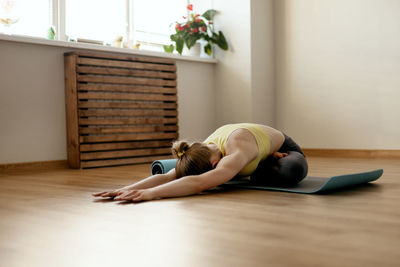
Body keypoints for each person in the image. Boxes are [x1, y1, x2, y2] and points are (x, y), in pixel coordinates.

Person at [92, 123, 308, 202]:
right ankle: (263, 160)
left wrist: (152, 194)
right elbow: (168, 176)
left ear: (214, 165)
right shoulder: (200, 149)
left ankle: (267, 159)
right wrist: (125, 189)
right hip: (255, 151)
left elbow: (199, 183)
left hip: (285, 149)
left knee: (292, 169)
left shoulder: (235, 149)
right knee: (231, 172)